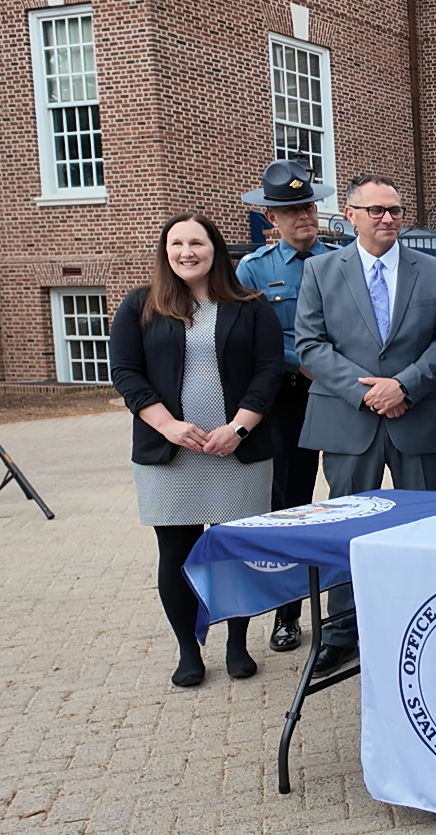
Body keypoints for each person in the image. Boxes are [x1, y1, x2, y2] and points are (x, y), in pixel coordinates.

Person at [109, 213, 283, 687]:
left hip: (237, 454)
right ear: (165, 252)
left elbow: (269, 372)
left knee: (235, 554)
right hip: (170, 455)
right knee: (176, 555)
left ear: (215, 249)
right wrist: (167, 426)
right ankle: (188, 649)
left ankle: (237, 644)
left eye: (197, 243)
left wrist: (239, 428)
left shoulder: (251, 307)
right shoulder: (140, 305)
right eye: (177, 243)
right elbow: (125, 372)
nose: (186, 252)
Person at [296, 174, 436, 677]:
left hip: (415, 416)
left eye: (395, 210)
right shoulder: (321, 270)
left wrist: (403, 386)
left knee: (426, 528)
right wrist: (368, 391)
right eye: (376, 210)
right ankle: (341, 632)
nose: (388, 218)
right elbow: (310, 345)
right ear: (351, 215)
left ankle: (427, 626)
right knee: (347, 529)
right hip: (348, 421)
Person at [234, 159, 342, 655]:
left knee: (345, 499)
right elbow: (250, 341)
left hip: (338, 393)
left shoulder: (340, 261)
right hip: (287, 398)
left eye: (309, 207)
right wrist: (304, 363)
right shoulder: (254, 269)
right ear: (270, 218)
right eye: (293, 210)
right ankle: (287, 614)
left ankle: (345, 610)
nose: (305, 217)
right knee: (291, 506)